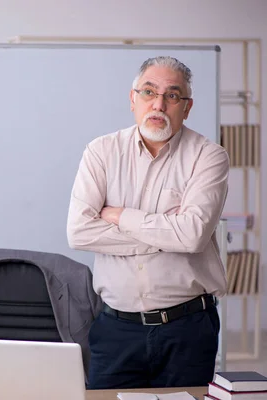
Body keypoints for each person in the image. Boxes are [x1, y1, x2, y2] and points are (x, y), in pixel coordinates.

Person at [66, 56, 229, 389]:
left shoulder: (208, 156)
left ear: (187, 107)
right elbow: (79, 232)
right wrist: (167, 234)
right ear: (132, 99)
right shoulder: (102, 152)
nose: (158, 104)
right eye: (148, 92)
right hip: (116, 330)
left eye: (172, 95)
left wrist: (119, 216)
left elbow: (194, 236)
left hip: (187, 328)